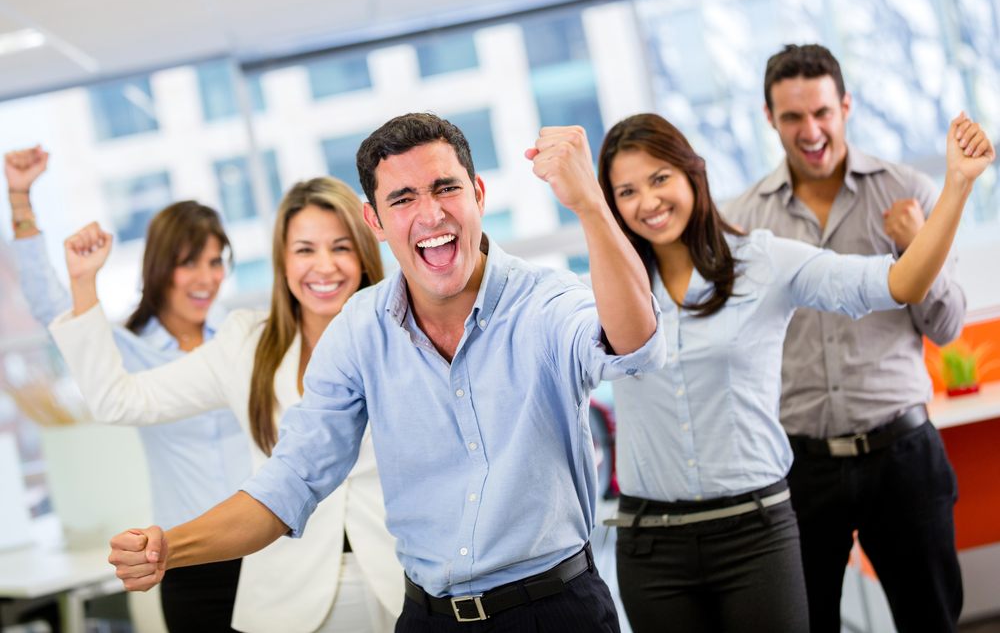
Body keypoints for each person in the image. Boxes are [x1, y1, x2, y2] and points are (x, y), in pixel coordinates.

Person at [80, 113, 665, 632]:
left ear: (479, 193)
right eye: (403, 199)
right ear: (376, 221)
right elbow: (292, 479)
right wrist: (169, 546)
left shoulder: (544, 301)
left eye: (446, 188)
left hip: (555, 610)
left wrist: (589, 205)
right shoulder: (360, 329)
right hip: (426, 618)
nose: (431, 214)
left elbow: (634, 345)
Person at [596, 110, 992, 632]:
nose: (647, 202)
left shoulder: (761, 262)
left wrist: (958, 185)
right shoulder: (608, 292)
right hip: (652, 546)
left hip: (755, 533)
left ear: (692, 173)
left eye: (659, 178)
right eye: (626, 192)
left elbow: (902, 283)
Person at [50, 178, 403, 632]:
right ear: (282, 260)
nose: (324, 266)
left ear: (365, 254)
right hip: (287, 596)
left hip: (399, 581)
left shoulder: (403, 333)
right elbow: (117, 400)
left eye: (341, 248)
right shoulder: (245, 343)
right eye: (305, 250)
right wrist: (83, 283)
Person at [723, 43, 971, 633]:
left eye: (822, 113)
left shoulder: (909, 193)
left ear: (846, 107)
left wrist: (915, 247)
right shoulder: (744, 221)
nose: (810, 131)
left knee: (932, 620)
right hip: (798, 466)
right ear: (769, 117)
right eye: (792, 116)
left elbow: (946, 326)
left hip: (902, 455)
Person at [5, 146, 252, 631]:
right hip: (190, 563)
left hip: (267, 550)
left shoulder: (241, 340)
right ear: (160, 268)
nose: (206, 278)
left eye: (215, 262)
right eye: (189, 263)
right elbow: (50, 306)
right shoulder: (127, 352)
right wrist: (20, 199)